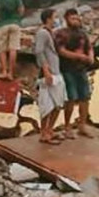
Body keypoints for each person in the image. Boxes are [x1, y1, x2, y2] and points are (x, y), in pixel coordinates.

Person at [55, 8, 95, 138]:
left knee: (85, 97)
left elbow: (89, 48)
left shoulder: (83, 34)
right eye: (73, 18)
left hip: (81, 69)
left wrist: (90, 57)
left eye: (77, 18)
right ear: (66, 19)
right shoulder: (62, 34)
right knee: (71, 98)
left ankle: (82, 125)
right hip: (68, 69)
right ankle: (67, 126)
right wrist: (77, 57)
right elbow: (61, 51)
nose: (76, 21)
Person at [34, 8, 67, 145]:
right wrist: (46, 70)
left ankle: (50, 130)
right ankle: (44, 133)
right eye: (54, 17)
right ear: (48, 18)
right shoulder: (42, 33)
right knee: (47, 105)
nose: (56, 20)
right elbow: (39, 52)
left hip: (56, 72)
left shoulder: (50, 33)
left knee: (58, 103)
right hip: (49, 73)